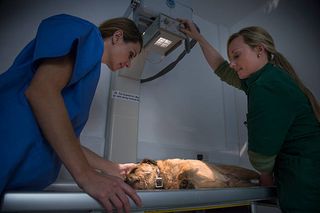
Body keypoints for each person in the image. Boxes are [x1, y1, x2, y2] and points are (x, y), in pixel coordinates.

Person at [0, 14, 143, 213]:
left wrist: (112, 168)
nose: (129, 63)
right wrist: (86, 175)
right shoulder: (86, 34)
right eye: (131, 54)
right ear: (117, 36)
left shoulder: (90, 71)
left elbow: (59, 135)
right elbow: (41, 92)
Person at [179, 19, 320, 212]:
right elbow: (222, 69)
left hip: (306, 181)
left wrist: (265, 176)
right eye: (231, 58)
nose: (232, 63)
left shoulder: (266, 85)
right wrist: (198, 38)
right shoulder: (265, 77)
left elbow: (263, 150)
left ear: (259, 50)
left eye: (236, 56)